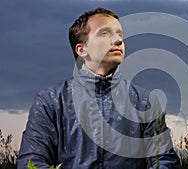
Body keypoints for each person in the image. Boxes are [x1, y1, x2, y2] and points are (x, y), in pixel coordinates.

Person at [17, 7, 179, 169]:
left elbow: (164, 161)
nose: (118, 40)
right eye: (105, 34)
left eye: (119, 34)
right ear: (82, 49)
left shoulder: (145, 101)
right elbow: (30, 162)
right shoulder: (50, 100)